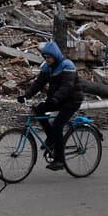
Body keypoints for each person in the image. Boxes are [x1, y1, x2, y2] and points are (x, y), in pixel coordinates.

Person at [17, 40, 84, 170]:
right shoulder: (48, 67)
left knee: (58, 125)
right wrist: (26, 95)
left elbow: (67, 86)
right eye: (45, 57)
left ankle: (60, 160)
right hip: (57, 99)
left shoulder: (67, 65)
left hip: (72, 101)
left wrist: (56, 98)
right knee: (38, 110)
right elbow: (38, 83)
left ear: (55, 56)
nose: (46, 60)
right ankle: (51, 139)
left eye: (49, 57)